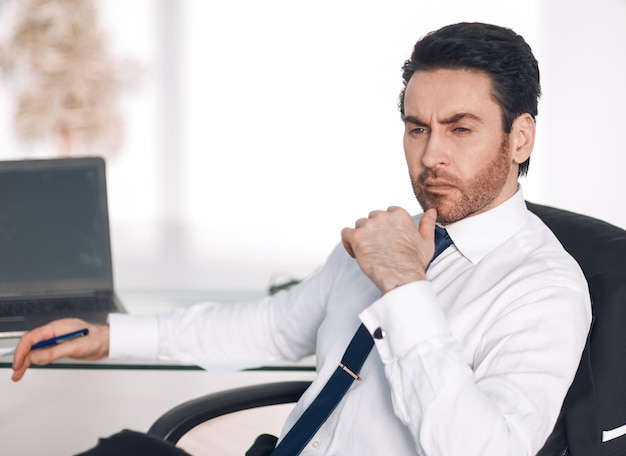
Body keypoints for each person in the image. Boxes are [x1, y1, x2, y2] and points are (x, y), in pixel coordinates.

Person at [11, 22, 591, 456]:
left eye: (460, 129)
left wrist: (404, 287)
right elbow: (270, 327)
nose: (431, 154)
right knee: (122, 450)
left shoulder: (545, 288)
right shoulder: (388, 238)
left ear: (520, 139)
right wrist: (110, 338)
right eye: (417, 128)